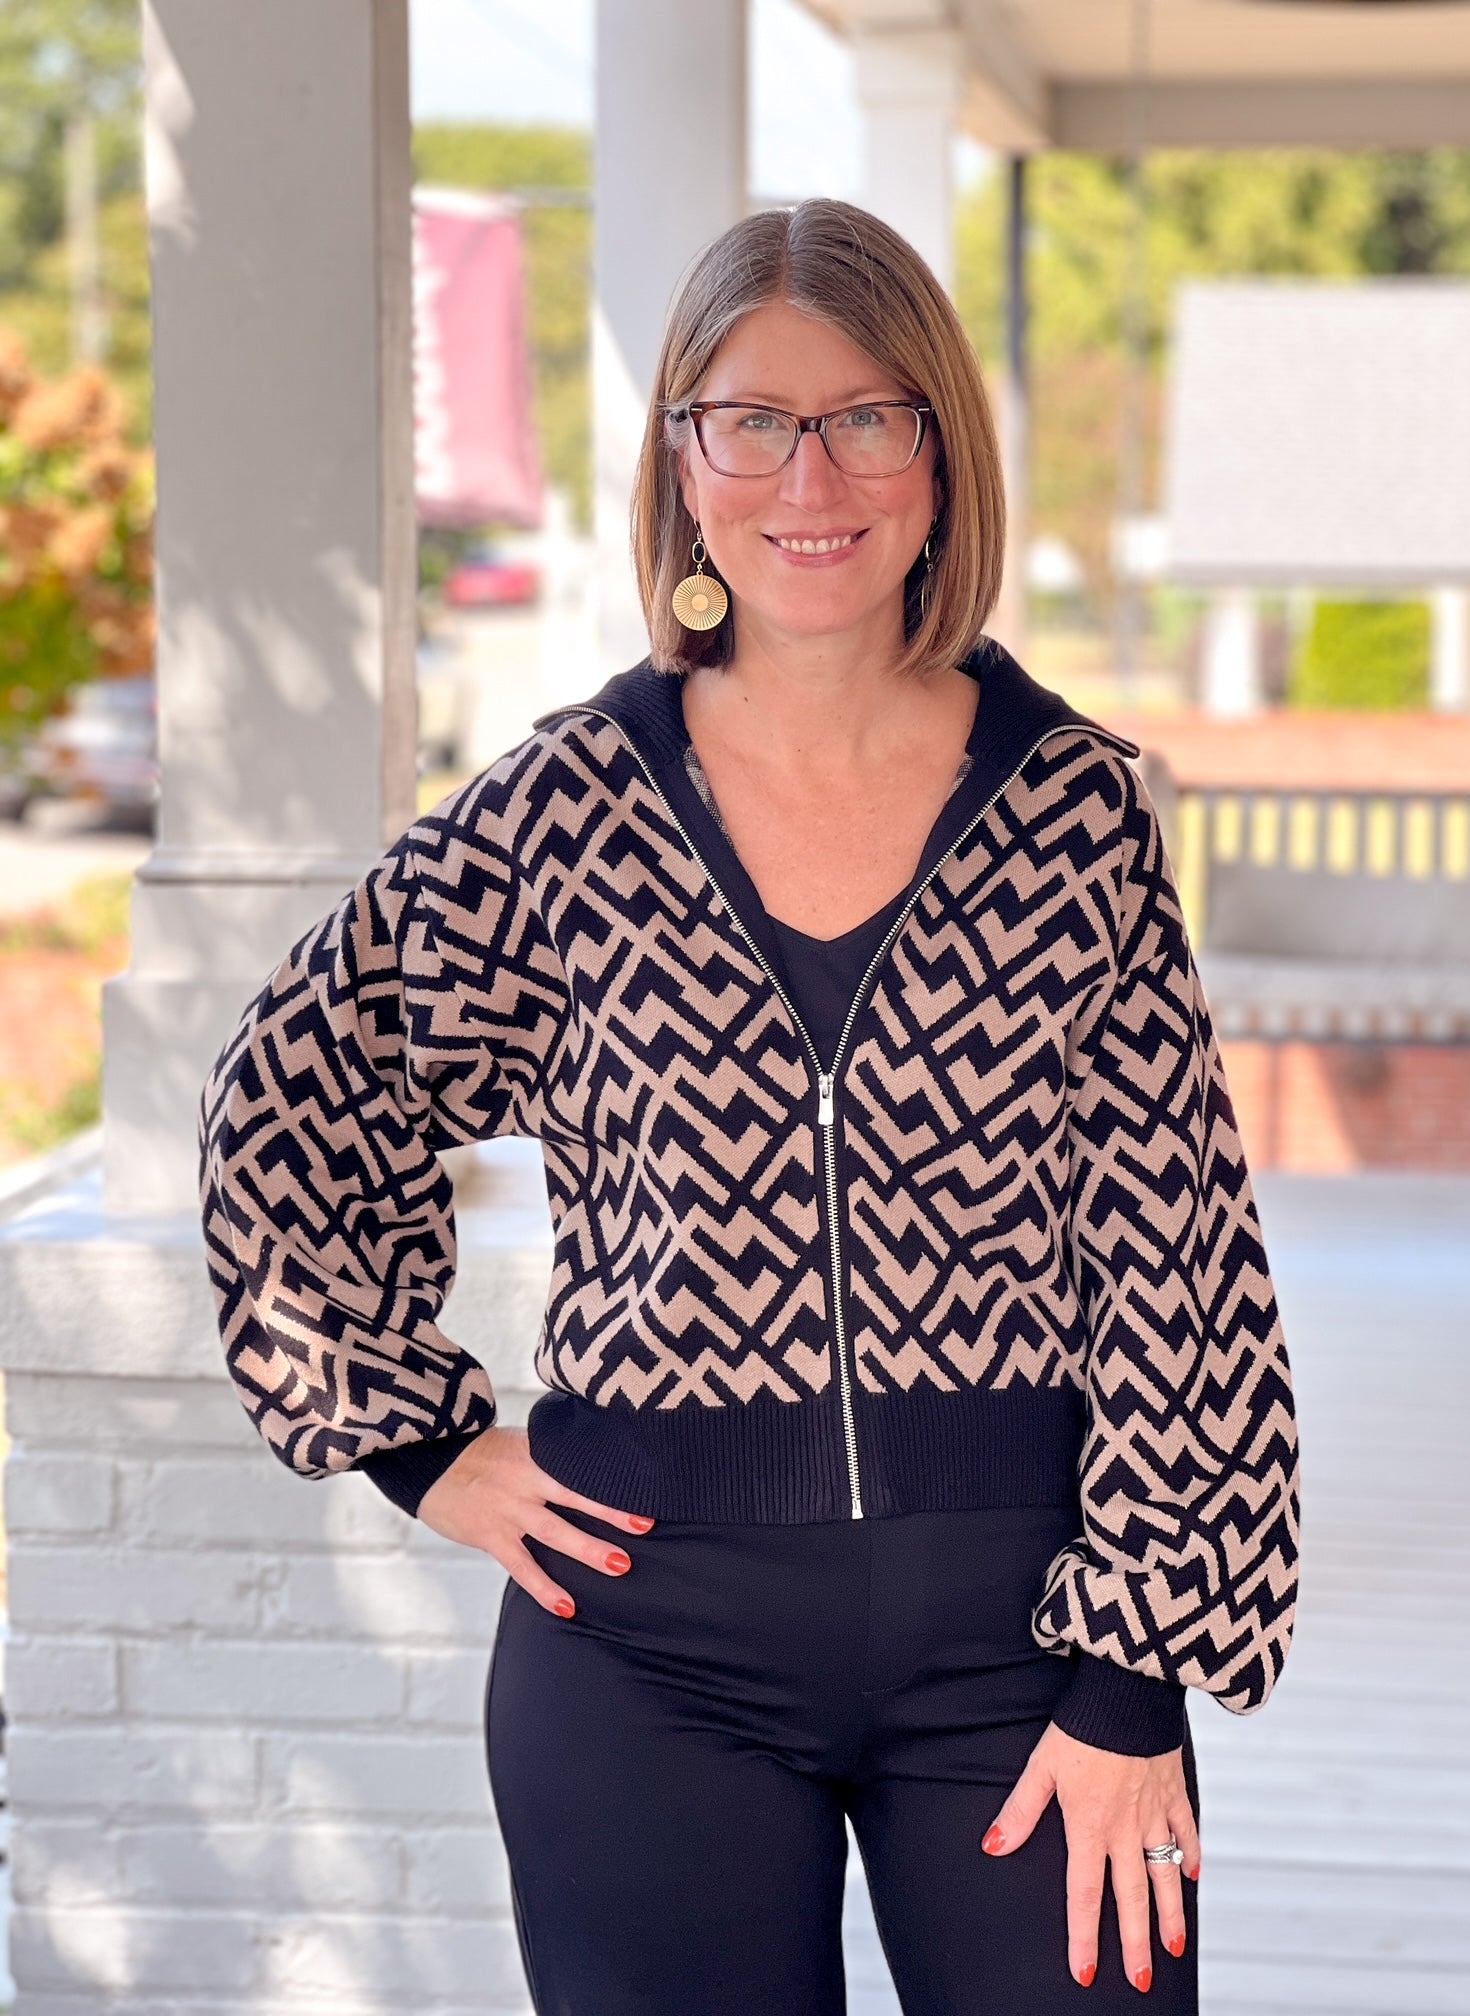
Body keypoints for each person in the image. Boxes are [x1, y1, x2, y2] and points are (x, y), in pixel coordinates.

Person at [199, 197, 1300, 2014]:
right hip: (643, 1659)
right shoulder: (563, 813)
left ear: (939, 453)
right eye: (753, 420)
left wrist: (1132, 1689)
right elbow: (297, 1090)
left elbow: (1182, 1266)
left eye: (871, 415)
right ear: (682, 462)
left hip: (1026, 1660)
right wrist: (416, 1442)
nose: (814, 473)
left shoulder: (1073, 812)